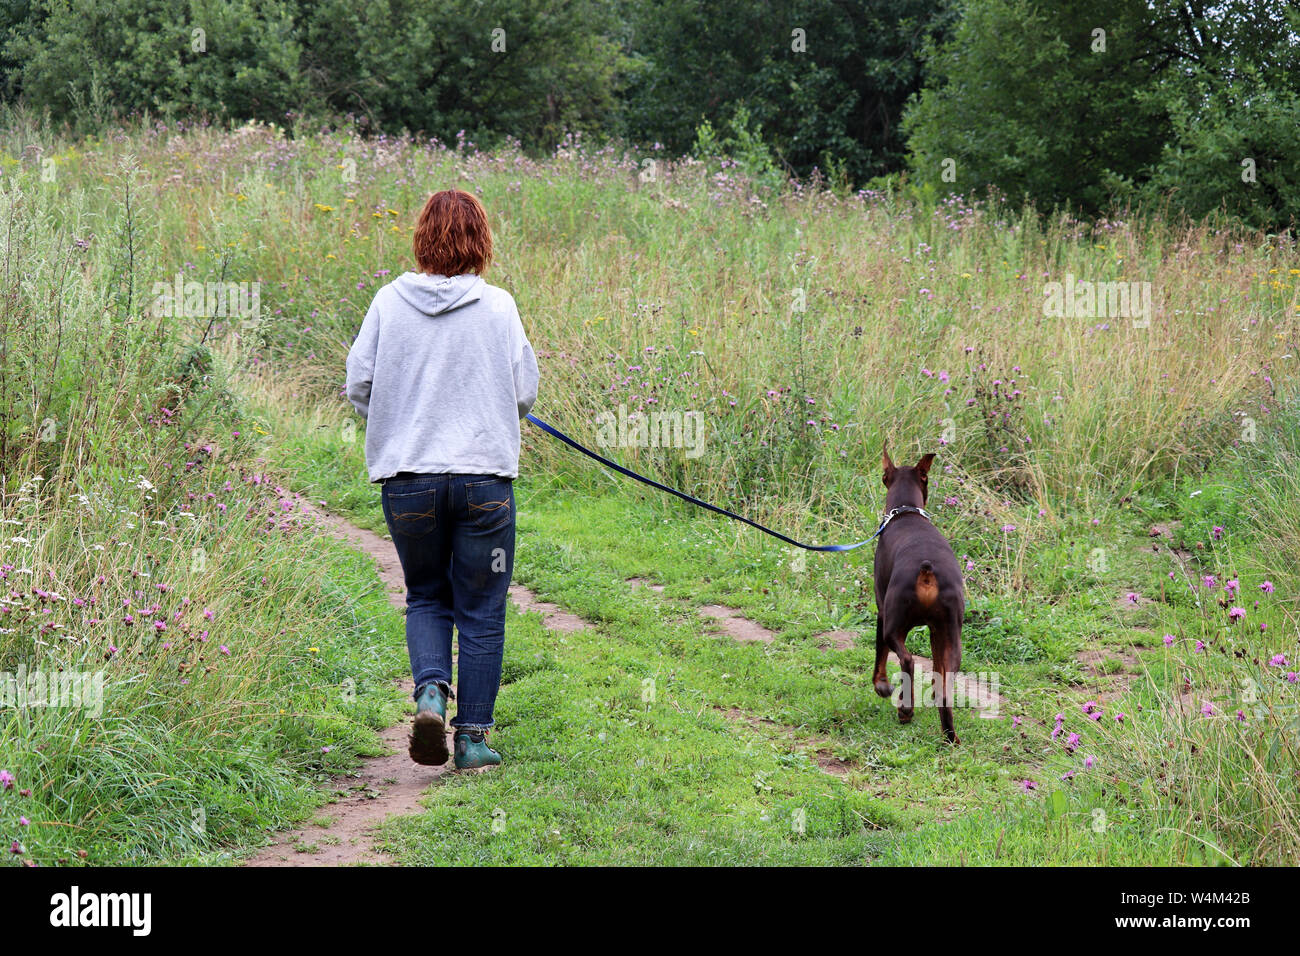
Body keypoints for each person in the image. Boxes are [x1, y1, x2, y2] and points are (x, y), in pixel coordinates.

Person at [345, 189, 538, 769]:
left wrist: (398, 417)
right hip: (483, 483)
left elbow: (359, 385)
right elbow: (523, 391)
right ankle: (472, 740)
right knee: (482, 609)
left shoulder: (387, 301)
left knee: (426, 595)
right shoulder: (499, 307)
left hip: (409, 481)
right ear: (480, 241)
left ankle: (431, 691)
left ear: (422, 238)